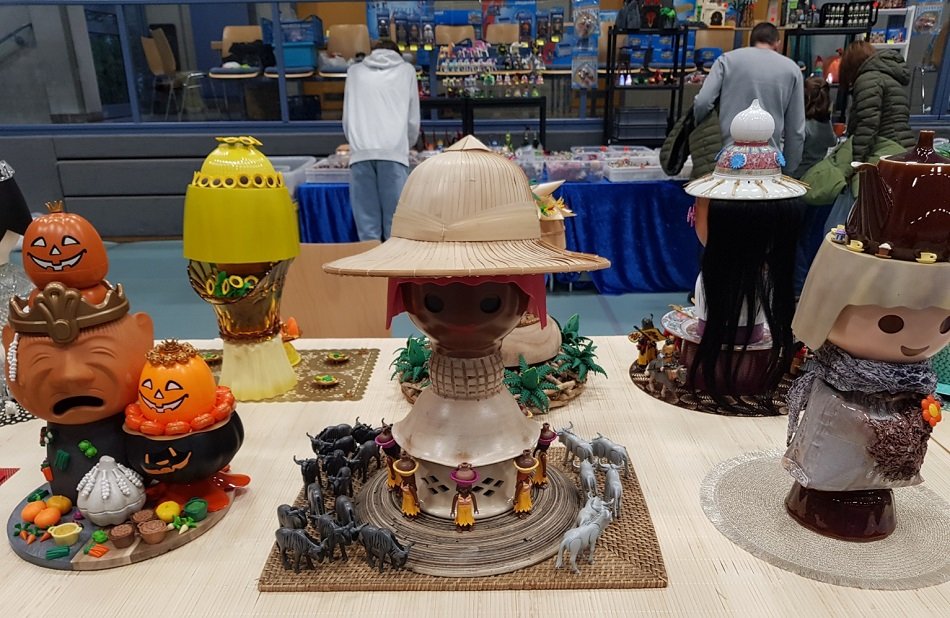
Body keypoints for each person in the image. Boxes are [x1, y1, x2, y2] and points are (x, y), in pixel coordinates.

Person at [693, 22, 805, 172]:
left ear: (750, 41)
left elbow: (702, 102)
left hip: (727, 159)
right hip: (768, 163)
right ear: (777, 44)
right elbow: (796, 129)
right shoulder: (792, 70)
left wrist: (701, 127)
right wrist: (789, 168)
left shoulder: (727, 60)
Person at [342, 40, 420, 241]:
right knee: (396, 229)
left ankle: (371, 262)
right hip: (394, 152)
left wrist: (357, 143)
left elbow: (347, 119)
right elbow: (413, 119)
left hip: (361, 153)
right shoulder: (407, 71)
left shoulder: (354, 72)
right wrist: (406, 145)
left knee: (367, 231)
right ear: (398, 54)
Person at [838, 41, 914, 164]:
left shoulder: (868, 80)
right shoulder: (888, 77)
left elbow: (868, 125)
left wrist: (855, 162)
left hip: (888, 153)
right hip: (903, 148)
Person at [790, 76, 837, 179]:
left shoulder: (801, 125)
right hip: (816, 175)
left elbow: (792, 154)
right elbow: (833, 141)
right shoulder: (825, 123)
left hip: (797, 176)